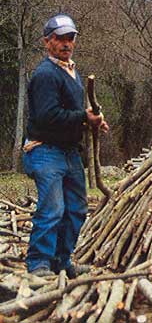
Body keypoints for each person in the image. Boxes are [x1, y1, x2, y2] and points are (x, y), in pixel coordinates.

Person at [22, 14, 109, 278]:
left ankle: (61, 261)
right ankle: (39, 264)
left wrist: (91, 123)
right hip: (46, 151)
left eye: (70, 38)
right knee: (52, 210)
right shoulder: (46, 75)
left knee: (76, 209)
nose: (66, 43)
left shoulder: (71, 71)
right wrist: (84, 117)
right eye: (60, 38)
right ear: (47, 42)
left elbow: (69, 113)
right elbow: (48, 116)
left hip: (69, 152)